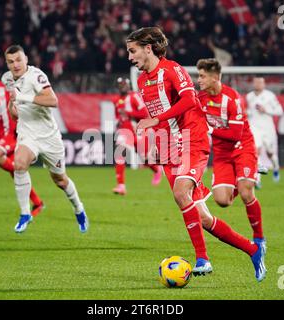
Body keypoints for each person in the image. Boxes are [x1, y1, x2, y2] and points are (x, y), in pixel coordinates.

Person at [127, 27, 213, 275]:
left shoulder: (172, 69)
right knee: (203, 216)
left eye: (132, 51)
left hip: (188, 139)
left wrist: (155, 122)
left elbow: (189, 100)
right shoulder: (142, 80)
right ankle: (250, 248)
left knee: (181, 195)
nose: (130, 57)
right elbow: (159, 115)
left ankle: (203, 259)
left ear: (148, 48)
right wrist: (157, 140)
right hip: (168, 145)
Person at [1, 45, 88, 233]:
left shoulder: (36, 75)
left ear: (26, 59)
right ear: (6, 63)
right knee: (19, 164)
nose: (15, 65)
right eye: (10, 61)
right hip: (27, 134)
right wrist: (11, 104)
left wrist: (23, 97)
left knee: (60, 180)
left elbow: (53, 101)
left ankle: (78, 208)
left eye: (18, 60)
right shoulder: (7, 79)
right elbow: (15, 115)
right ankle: (25, 213)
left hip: (48, 136)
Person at [196, 58, 266, 282]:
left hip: (242, 147)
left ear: (215, 78)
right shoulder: (200, 98)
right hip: (223, 155)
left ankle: (259, 239)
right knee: (222, 201)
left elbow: (235, 135)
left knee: (246, 192)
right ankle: (247, 175)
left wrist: (208, 129)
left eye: (202, 76)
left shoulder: (232, 98)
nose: (199, 80)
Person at [0, 64, 44, 217]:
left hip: (14, 134)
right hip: (0, 137)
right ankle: (38, 203)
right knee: (17, 172)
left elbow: (21, 101)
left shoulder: (6, 88)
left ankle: (33, 203)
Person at [112, 77, 162, 195]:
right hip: (125, 132)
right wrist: (118, 123)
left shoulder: (134, 97)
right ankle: (121, 185)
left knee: (145, 159)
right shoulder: (116, 100)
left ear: (129, 85)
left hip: (138, 132)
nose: (122, 86)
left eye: (124, 84)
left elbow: (144, 114)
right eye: (120, 85)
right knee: (119, 154)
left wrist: (129, 113)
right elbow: (117, 116)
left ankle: (157, 170)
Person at [246, 76, 284, 186]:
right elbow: (249, 111)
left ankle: (276, 167)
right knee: (255, 151)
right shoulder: (249, 96)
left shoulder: (270, 96)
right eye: (256, 82)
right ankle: (257, 179)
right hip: (254, 127)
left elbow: (280, 111)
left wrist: (266, 110)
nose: (258, 84)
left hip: (267, 129)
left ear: (264, 84)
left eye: (260, 82)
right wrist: (247, 113)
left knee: (270, 152)